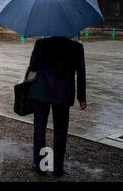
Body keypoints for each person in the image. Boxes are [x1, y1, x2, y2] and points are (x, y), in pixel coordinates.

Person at [28, 36, 87, 176]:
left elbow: (33, 66)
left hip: (41, 91)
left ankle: (40, 164)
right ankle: (57, 167)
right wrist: (81, 97)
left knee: (39, 128)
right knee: (60, 129)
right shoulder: (76, 47)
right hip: (63, 92)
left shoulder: (41, 43)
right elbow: (81, 72)